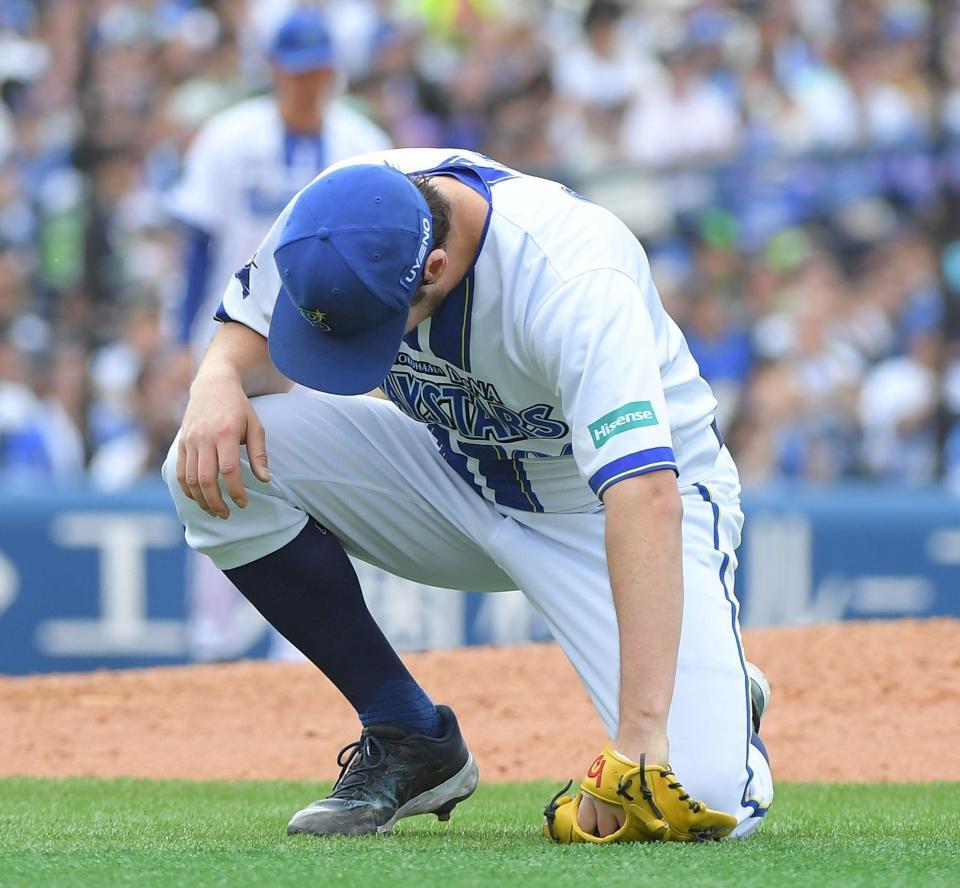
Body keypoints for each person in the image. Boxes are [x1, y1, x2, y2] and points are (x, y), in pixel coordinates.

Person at [163, 148, 774, 841]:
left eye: (375, 328)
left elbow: (644, 495)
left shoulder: (573, 273)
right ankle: (407, 734)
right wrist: (213, 378)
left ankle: (712, 687)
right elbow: (249, 324)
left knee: (697, 800)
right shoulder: (339, 213)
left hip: (602, 510)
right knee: (209, 457)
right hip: (450, 470)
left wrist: (639, 735)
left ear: (436, 270)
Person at [168, 7, 391, 661]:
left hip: (330, 342)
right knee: (209, 475)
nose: (307, 82)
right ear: (272, 70)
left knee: (331, 484)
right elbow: (197, 243)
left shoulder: (362, 139)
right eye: (297, 71)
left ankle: (304, 649)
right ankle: (213, 638)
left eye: (318, 69)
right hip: (232, 338)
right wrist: (184, 338)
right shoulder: (228, 137)